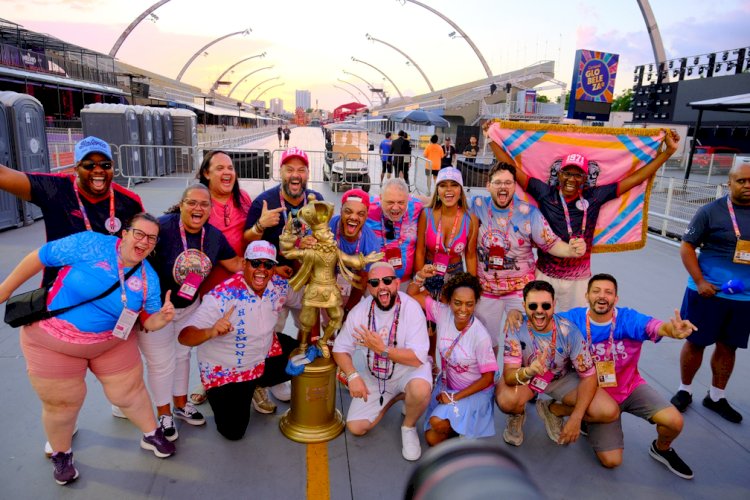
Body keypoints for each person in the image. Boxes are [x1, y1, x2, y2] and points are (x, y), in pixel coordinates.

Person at [0, 213, 177, 485]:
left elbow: (150, 320)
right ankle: (62, 453)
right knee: (62, 404)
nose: (144, 241)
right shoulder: (91, 243)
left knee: (130, 392)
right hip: (53, 341)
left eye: (151, 238)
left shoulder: (148, 277)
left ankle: (151, 433)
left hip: (110, 343)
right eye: (139, 233)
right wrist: (4, 290)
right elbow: (40, 257)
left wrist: (161, 319)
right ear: (125, 233)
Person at [485, 123, 680, 310]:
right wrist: (492, 138)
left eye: (578, 175)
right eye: (567, 173)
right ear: (559, 174)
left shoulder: (594, 196)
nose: (571, 179)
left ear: (585, 179)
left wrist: (668, 153)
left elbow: (636, 178)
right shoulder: (545, 192)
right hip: (544, 274)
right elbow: (511, 168)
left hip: (579, 279)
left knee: (575, 328)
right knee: (539, 324)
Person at [557, 274, 695, 478]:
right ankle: (570, 412)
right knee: (612, 461)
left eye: (608, 292)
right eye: (596, 291)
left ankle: (661, 449)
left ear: (616, 299)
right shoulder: (573, 320)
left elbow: (654, 326)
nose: (602, 296)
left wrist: (671, 331)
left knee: (674, 421)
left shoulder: (628, 319)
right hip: (595, 394)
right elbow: (541, 323)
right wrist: (517, 315)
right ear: (586, 295)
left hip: (630, 387)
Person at [139, 184, 242, 441]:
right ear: (181, 204)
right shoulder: (162, 228)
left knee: (183, 355)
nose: (198, 208)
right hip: (157, 310)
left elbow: (236, 264)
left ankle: (180, 404)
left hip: (189, 307)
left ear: (210, 209)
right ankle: (163, 413)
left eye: (204, 204)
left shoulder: (214, 237)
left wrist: (271, 267)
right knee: (161, 362)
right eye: (192, 203)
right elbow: (134, 258)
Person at [179, 241, 301, 440]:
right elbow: (185, 336)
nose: (262, 270)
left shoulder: (278, 286)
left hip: (264, 356)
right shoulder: (222, 295)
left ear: (273, 268)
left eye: (268, 265)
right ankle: (222, 393)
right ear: (244, 263)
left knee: (305, 357)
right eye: (255, 263)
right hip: (229, 371)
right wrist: (211, 331)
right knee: (233, 432)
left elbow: (306, 299)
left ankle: (256, 385)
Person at [470, 162, 586, 349]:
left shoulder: (529, 213)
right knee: (485, 343)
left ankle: (523, 376)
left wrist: (572, 250)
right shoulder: (476, 205)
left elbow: (551, 243)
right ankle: (491, 377)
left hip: (519, 290)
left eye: (508, 183)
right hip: (486, 290)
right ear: (488, 185)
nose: (503, 187)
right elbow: (445, 205)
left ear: (515, 186)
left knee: (526, 343)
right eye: (498, 182)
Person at [0, 136, 143, 285]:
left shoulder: (130, 202)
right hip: (61, 290)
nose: (98, 170)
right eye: (89, 165)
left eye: (105, 165)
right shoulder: (54, 188)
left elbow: (145, 245)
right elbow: (3, 175)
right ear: (76, 169)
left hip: (110, 291)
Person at [671, 161, 750, 423]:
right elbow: (686, 248)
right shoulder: (710, 211)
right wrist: (700, 281)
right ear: (729, 183)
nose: (747, 185)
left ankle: (716, 397)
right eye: (741, 181)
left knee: (729, 347)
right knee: (695, 342)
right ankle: (684, 391)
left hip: (743, 299)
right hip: (706, 293)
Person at [496, 280, 619, 447]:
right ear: (524, 305)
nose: (539, 311)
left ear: (554, 305)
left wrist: (576, 417)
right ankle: (516, 414)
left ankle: (553, 410)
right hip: (528, 378)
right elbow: (510, 376)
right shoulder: (515, 327)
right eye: (533, 306)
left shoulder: (569, 331)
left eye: (545, 306)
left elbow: (589, 377)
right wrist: (529, 371)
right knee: (506, 400)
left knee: (608, 411)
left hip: (561, 378)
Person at [332, 262, 432, 461]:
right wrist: (352, 376)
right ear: (369, 287)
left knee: (420, 389)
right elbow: (340, 349)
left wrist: (382, 350)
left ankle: (408, 427)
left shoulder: (411, 308)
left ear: (396, 283)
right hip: (375, 375)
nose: (382, 287)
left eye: (387, 281)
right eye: (375, 283)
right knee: (356, 427)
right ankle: (395, 397)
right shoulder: (359, 312)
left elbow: (418, 357)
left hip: (408, 372)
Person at [407, 270, 497, 445]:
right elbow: (412, 293)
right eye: (457, 303)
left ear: (475, 303)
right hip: (447, 384)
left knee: (436, 422)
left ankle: (463, 424)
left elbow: (488, 379)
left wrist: (455, 398)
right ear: (448, 301)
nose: (463, 310)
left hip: (473, 392)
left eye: (469, 304)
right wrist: (420, 277)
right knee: (432, 439)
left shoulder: (480, 336)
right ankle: (459, 426)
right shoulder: (442, 313)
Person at [191, 150, 253, 405]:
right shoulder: (199, 201)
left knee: (245, 333)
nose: (227, 172)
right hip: (210, 281)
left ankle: (253, 381)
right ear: (206, 173)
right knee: (212, 334)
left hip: (242, 280)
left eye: (230, 167)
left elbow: (252, 233)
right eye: (219, 168)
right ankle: (208, 380)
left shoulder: (243, 198)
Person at [415, 167, 478, 300]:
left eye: (454, 185)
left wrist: (472, 288)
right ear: (437, 190)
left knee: (451, 318)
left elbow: (471, 256)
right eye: (443, 185)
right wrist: (419, 281)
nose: (448, 189)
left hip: (455, 276)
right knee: (427, 317)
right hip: (428, 272)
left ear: (460, 190)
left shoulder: (470, 219)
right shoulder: (426, 214)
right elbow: (420, 250)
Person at [330, 189, 382, 317]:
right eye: (348, 211)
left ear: (366, 216)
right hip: (328, 282)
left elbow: (362, 282)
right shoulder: (327, 226)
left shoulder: (371, 241)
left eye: (360, 213)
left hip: (354, 283)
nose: (353, 217)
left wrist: (348, 312)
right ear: (341, 210)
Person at [366, 177, 423, 283]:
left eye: (401, 202)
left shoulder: (416, 206)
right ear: (380, 198)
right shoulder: (368, 207)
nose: (396, 208)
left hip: (405, 282)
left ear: (408, 198)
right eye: (390, 202)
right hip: (375, 283)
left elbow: (435, 200)